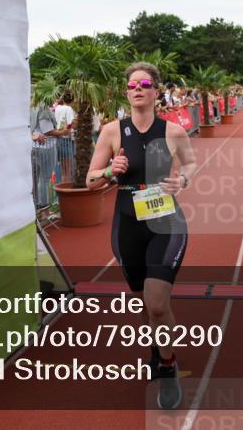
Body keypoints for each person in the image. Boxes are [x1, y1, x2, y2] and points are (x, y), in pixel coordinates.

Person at [87, 62, 197, 410]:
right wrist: (108, 170)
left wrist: (183, 180)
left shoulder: (174, 131)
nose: (137, 89)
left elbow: (191, 164)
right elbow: (90, 180)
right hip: (127, 224)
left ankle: (167, 366)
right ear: (127, 92)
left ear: (155, 91)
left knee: (157, 303)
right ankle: (158, 345)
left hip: (166, 222)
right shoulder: (111, 132)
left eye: (145, 83)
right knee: (144, 304)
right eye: (131, 85)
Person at [30, 102, 62, 208]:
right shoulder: (43, 108)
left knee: (37, 179)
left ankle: (38, 206)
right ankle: (44, 209)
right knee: (44, 179)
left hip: (36, 146)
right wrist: (63, 132)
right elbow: (47, 131)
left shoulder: (33, 107)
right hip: (45, 147)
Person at [53, 94, 76, 183]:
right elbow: (70, 124)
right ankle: (65, 192)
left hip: (58, 139)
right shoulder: (68, 109)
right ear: (72, 101)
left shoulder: (58, 107)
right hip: (66, 139)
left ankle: (62, 190)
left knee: (62, 170)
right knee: (67, 171)